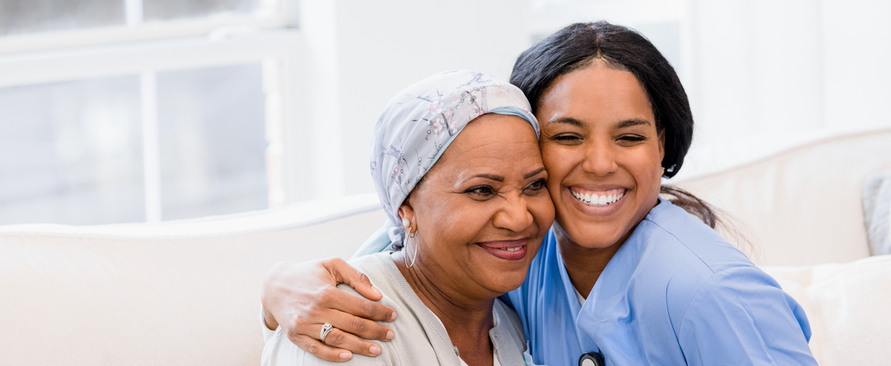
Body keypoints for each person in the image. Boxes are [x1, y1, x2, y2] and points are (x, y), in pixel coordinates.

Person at [261, 22, 817, 365]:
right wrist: (279, 289)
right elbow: (394, 256)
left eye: (629, 136)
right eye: (567, 136)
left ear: (663, 144)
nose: (600, 163)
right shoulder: (523, 252)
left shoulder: (710, 293)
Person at [261, 70, 555, 365]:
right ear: (406, 207)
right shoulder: (344, 323)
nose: (519, 219)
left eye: (535, 185)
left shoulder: (513, 321)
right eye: (482, 190)